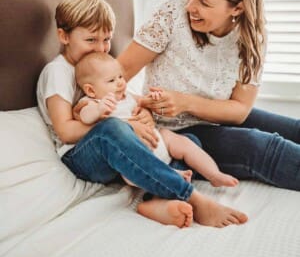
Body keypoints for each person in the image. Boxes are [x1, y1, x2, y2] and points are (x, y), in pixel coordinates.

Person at [37, 0, 248, 229]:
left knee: (184, 142)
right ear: (64, 36)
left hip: (112, 149)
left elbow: (127, 98)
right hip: (80, 155)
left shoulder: (100, 65)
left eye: (106, 40)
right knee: (113, 128)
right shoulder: (58, 71)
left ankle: (155, 201)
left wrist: (144, 112)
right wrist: (127, 127)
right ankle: (193, 197)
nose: (101, 48)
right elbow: (65, 130)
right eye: (91, 40)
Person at [117, 0, 300, 192]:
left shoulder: (251, 37)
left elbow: (239, 111)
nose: (190, 6)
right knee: (263, 147)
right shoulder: (172, 14)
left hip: (217, 115)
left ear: (237, 8)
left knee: (294, 129)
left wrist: (184, 102)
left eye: (204, 2)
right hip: (175, 130)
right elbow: (117, 76)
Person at [74, 51, 238, 188]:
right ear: (91, 90)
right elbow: (85, 117)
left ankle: (213, 174)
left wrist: (154, 97)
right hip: (136, 153)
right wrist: (99, 109)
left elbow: (145, 102)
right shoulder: (92, 102)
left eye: (120, 77)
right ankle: (172, 174)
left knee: (184, 141)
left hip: (157, 140)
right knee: (130, 174)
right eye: (111, 80)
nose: (120, 83)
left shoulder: (128, 96)